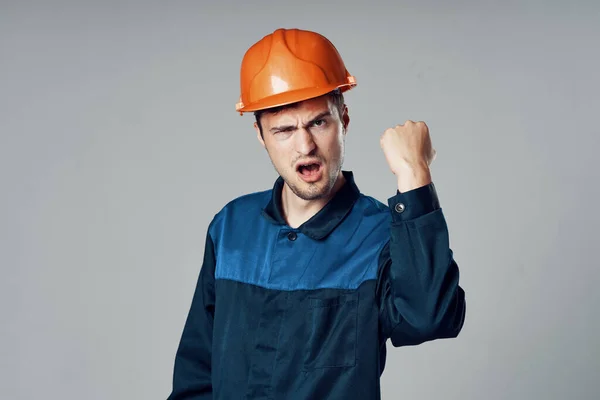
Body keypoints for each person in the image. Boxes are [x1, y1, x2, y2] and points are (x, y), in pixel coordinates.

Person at [167, 28, 466, 400]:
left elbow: (429, 319)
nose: (305, 145)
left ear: (344, 119)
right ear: (260, 135)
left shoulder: (382, 236)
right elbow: (197, 373)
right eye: (284, 130)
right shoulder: (231, 228)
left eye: (318, 122)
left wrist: (414, 177)